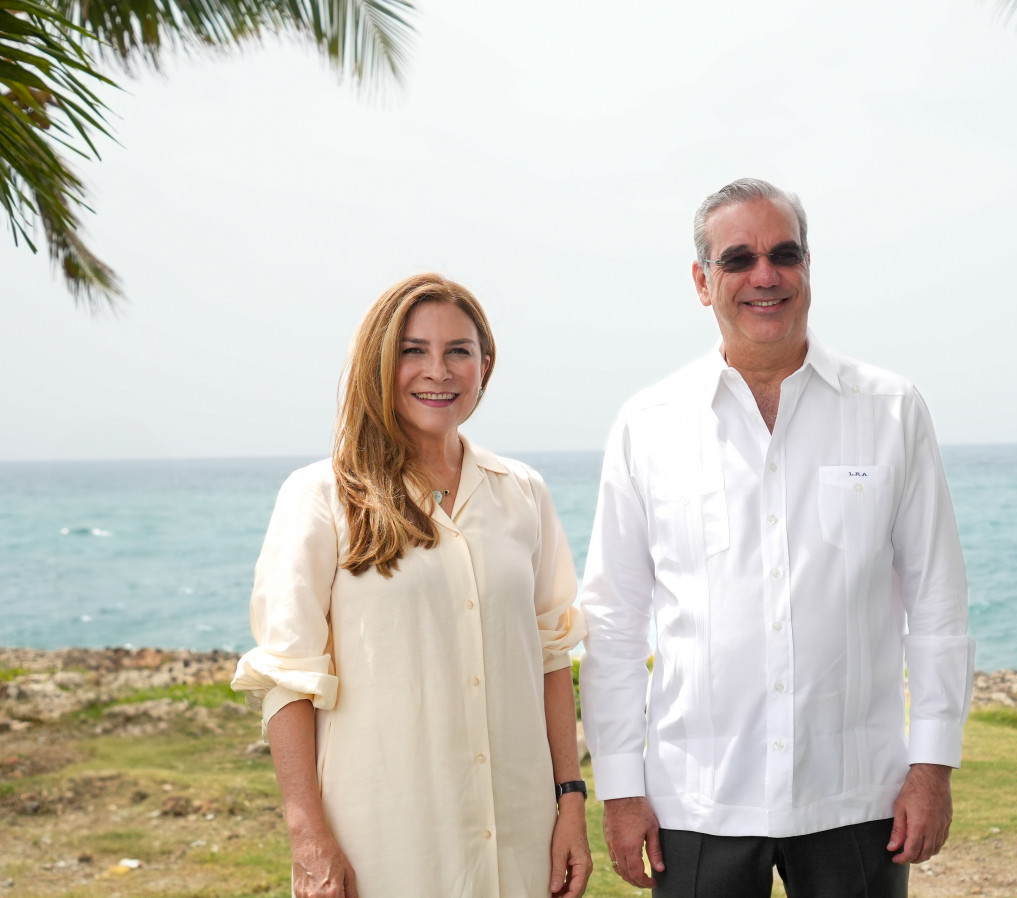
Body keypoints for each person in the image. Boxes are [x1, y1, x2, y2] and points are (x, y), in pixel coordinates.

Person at [578, 179, 975, 898]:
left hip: (857, 793)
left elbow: (937, 603)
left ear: (808, 268)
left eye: (784, 255)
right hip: (695, 799)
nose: (765, 275)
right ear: (702, 281)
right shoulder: (649, 425)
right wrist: (621, 787)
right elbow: (613, 622)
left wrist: (932, 766)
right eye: (738, 259)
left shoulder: (891, 409)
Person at [231, 273, 591, 898]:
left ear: (485, 364)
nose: (438, 371)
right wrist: (307, 836)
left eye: (458, 351)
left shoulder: (523, 493)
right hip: (384, 842)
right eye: (413, 350)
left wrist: (571, 802)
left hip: (519, 834)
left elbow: (550, 656)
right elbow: (288, 677)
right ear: (379, 362)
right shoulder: (320, 496)